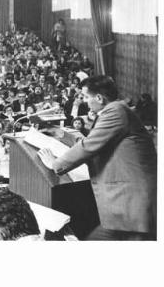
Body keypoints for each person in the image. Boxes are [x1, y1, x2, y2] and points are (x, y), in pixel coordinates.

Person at [38, 75, 157, 240]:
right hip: (127, 203)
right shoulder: (118, 110)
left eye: (86, 97)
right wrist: (62, 134)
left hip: (131, 203)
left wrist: (55, 164)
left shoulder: (115, 111)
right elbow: (93, 141)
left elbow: (89, 146)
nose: (85, 101)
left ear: (99, 98)